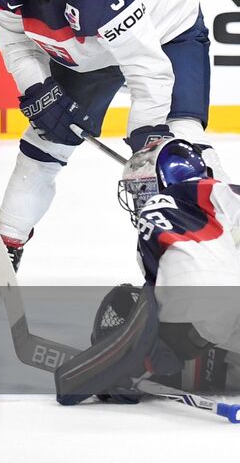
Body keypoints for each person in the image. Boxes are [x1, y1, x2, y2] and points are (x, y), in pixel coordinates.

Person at [0, 0, 222, 308]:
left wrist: (148, 136)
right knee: (42, 142)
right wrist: (36, 88)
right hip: (87, 44)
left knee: (178, 151)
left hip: (165, 25)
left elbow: (146, 66)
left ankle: (209, 259)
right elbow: (14, 42)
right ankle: (6, 253)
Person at [55, 139, 240, 406]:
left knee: (127, 302)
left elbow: (151, 298)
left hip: (191, 320)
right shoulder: (213, 191)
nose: (140, 197)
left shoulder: (154, 217)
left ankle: (134, 369)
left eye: (143, 187)